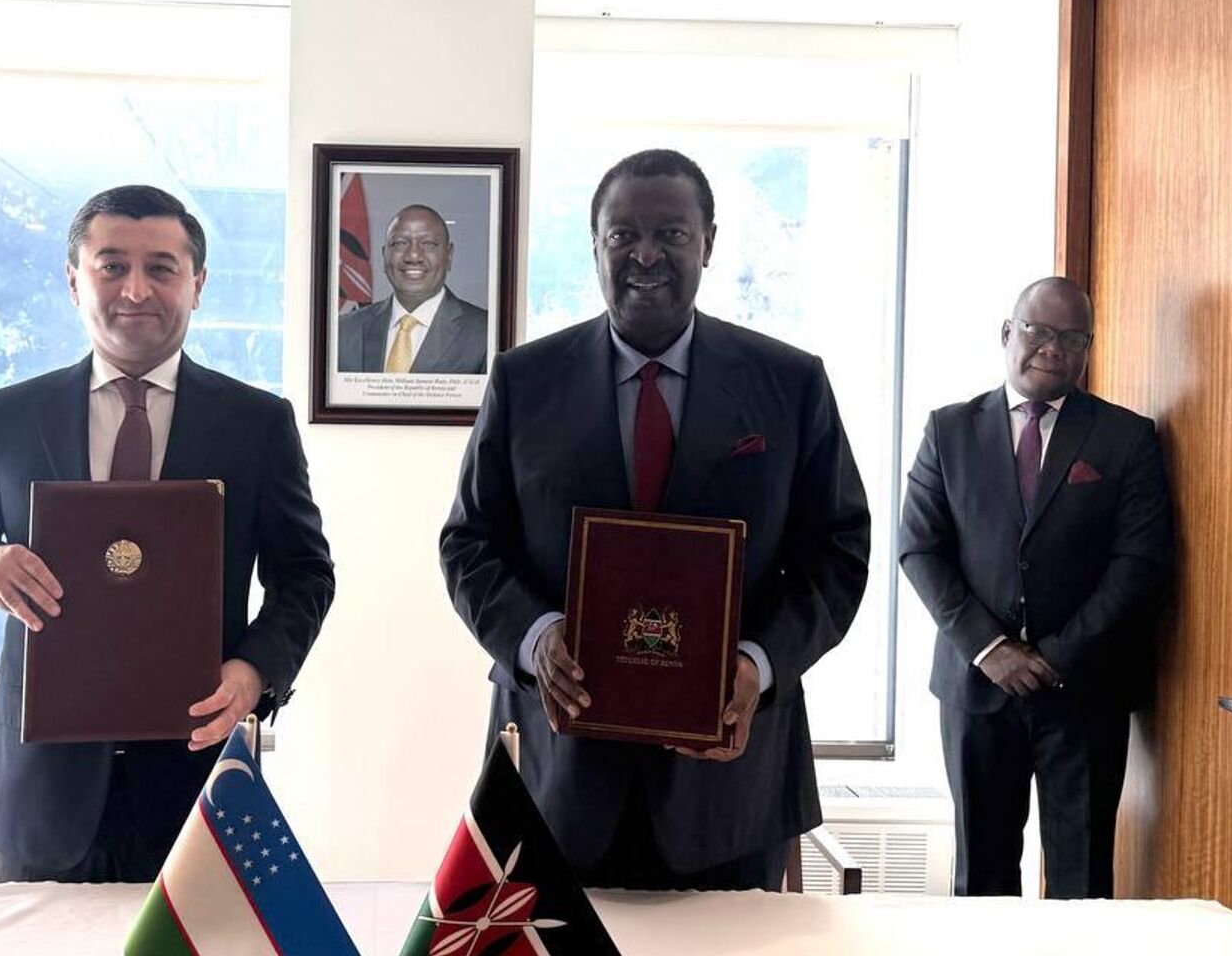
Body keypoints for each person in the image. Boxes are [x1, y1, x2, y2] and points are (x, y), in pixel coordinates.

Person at [440, 148, 871, 890]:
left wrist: (759, 662)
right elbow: (469, 543)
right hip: (554, 781)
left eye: (671, 234)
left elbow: (839, 551)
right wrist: (536, 638)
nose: (645, 255)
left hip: (728, 789)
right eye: (623, 235)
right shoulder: (524, 380)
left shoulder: (791, 383)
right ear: (595, 245)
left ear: (709, 242)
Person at [0, 185, 336, 884]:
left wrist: (255, 671)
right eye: (112, 266)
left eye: (162, 268)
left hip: (197, 783)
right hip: (44, 795)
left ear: (197, 284)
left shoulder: (258, 424)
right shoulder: (8, 418)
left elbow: (305, 576)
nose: (136, 289)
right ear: (75, 281)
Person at [899, 277, 1172, 898]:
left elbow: (1138, 562)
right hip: (977, 689)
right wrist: (990, 648)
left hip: (1086, 691)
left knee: (1082, 882)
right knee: (981, 879)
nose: (1053, 348)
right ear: (1007, 332)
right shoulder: (949, 430)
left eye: (1072, 338)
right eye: (1039, 331)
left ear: (1087, 349)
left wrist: (1057, 655)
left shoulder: (1126, 437)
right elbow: (920, 549)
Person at [338, 203, 488, 374]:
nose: (413, 256)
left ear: (449, 255)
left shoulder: (485, 332)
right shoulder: (344, 331)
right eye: (400, 243)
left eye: (428, 244)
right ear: (384, 255)